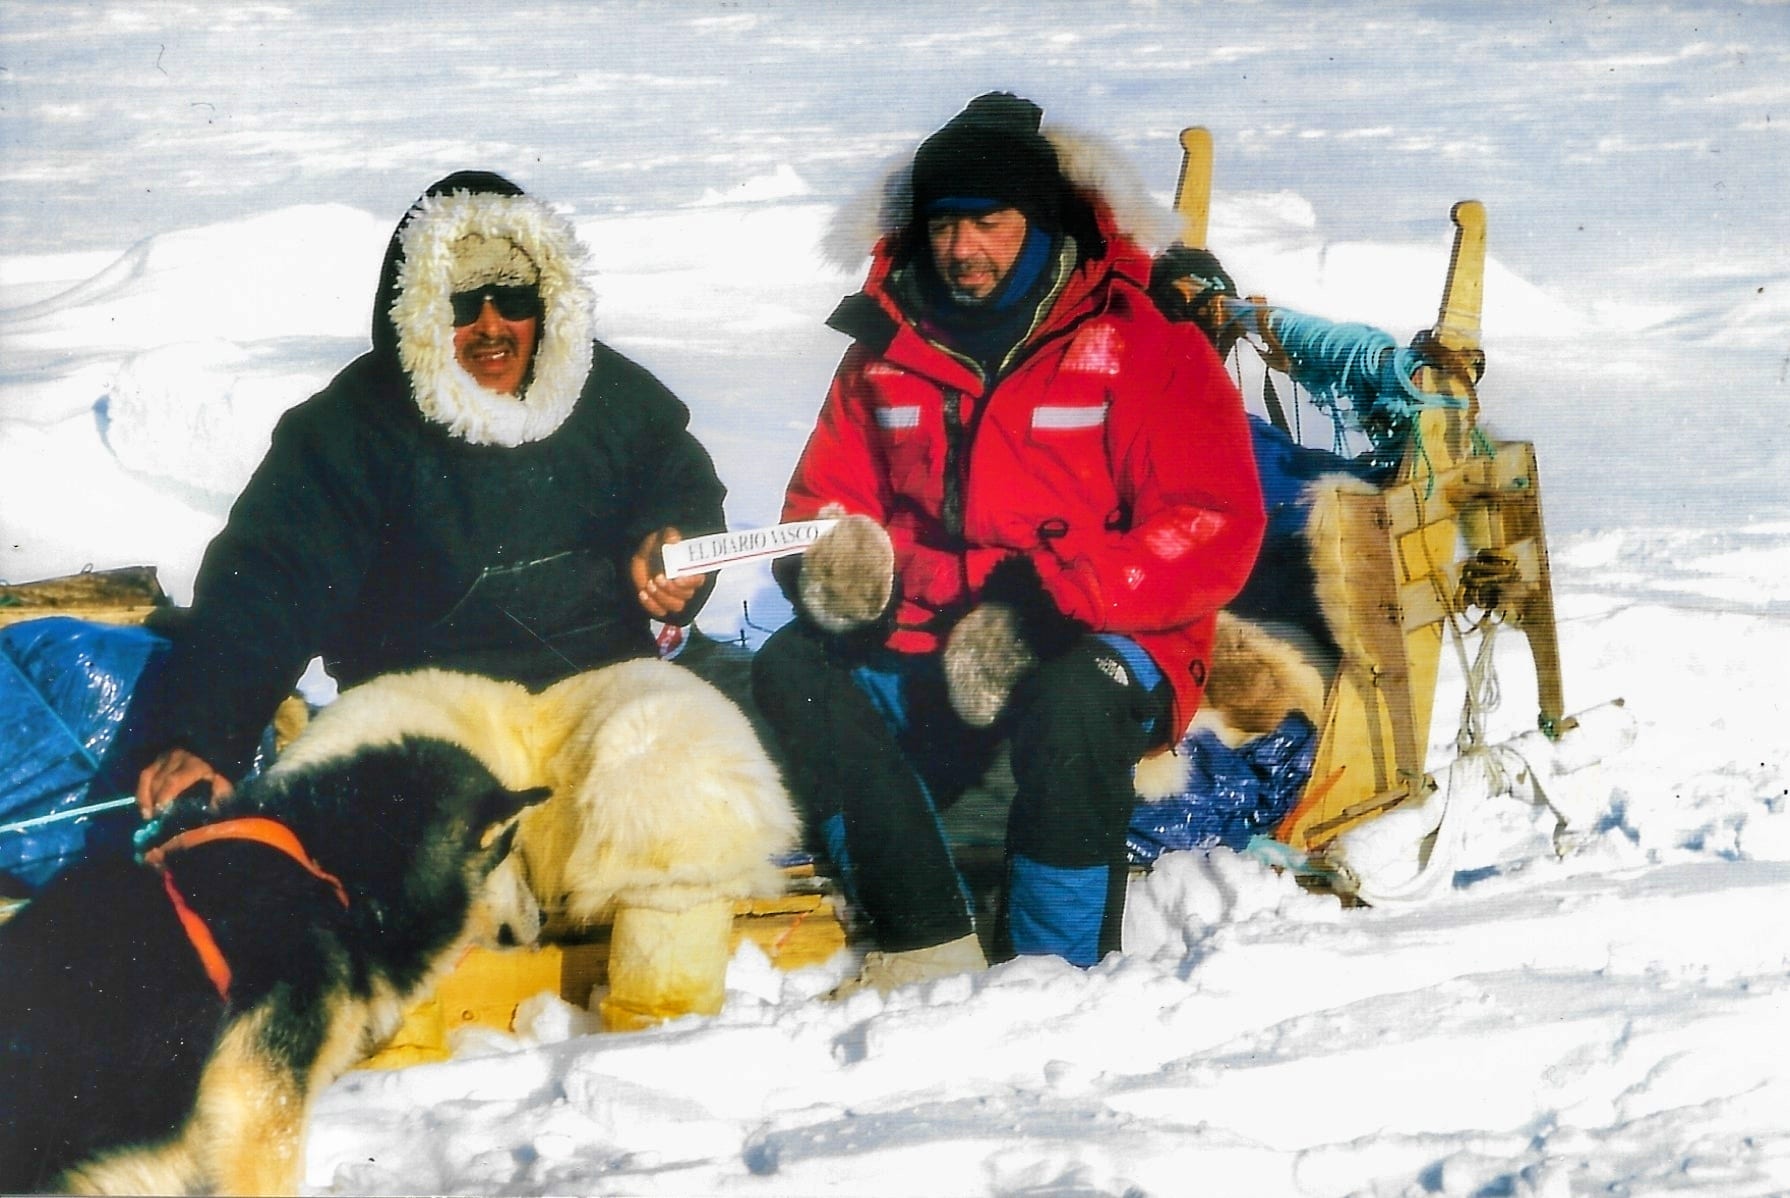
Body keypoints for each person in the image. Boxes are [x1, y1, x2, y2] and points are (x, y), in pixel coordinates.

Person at [751, 93, 1267, 991]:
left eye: (989, 222)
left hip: (1104, 630)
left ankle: (1049, 976)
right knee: (791, 663)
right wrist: (834, 564)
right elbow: (825, 495)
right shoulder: (887, 342)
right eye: (944, 225)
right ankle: (925, 937)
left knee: (1073, 705)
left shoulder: (1140, 341)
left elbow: (1210, 521)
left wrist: (1054, 600)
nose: (963, 249)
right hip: (926, 630)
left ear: (1041, 221)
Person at [133, 171, 727, 814]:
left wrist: (675, 547)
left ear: (549, 301)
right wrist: (207, 735)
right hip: (425, 711)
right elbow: (270, 583)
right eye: (461, 305)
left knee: (696, 797)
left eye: (514, 297)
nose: (491, 327)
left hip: (601, 695)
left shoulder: (613, 397)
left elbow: (682, 487)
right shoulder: (349, 429)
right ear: (416, 310)